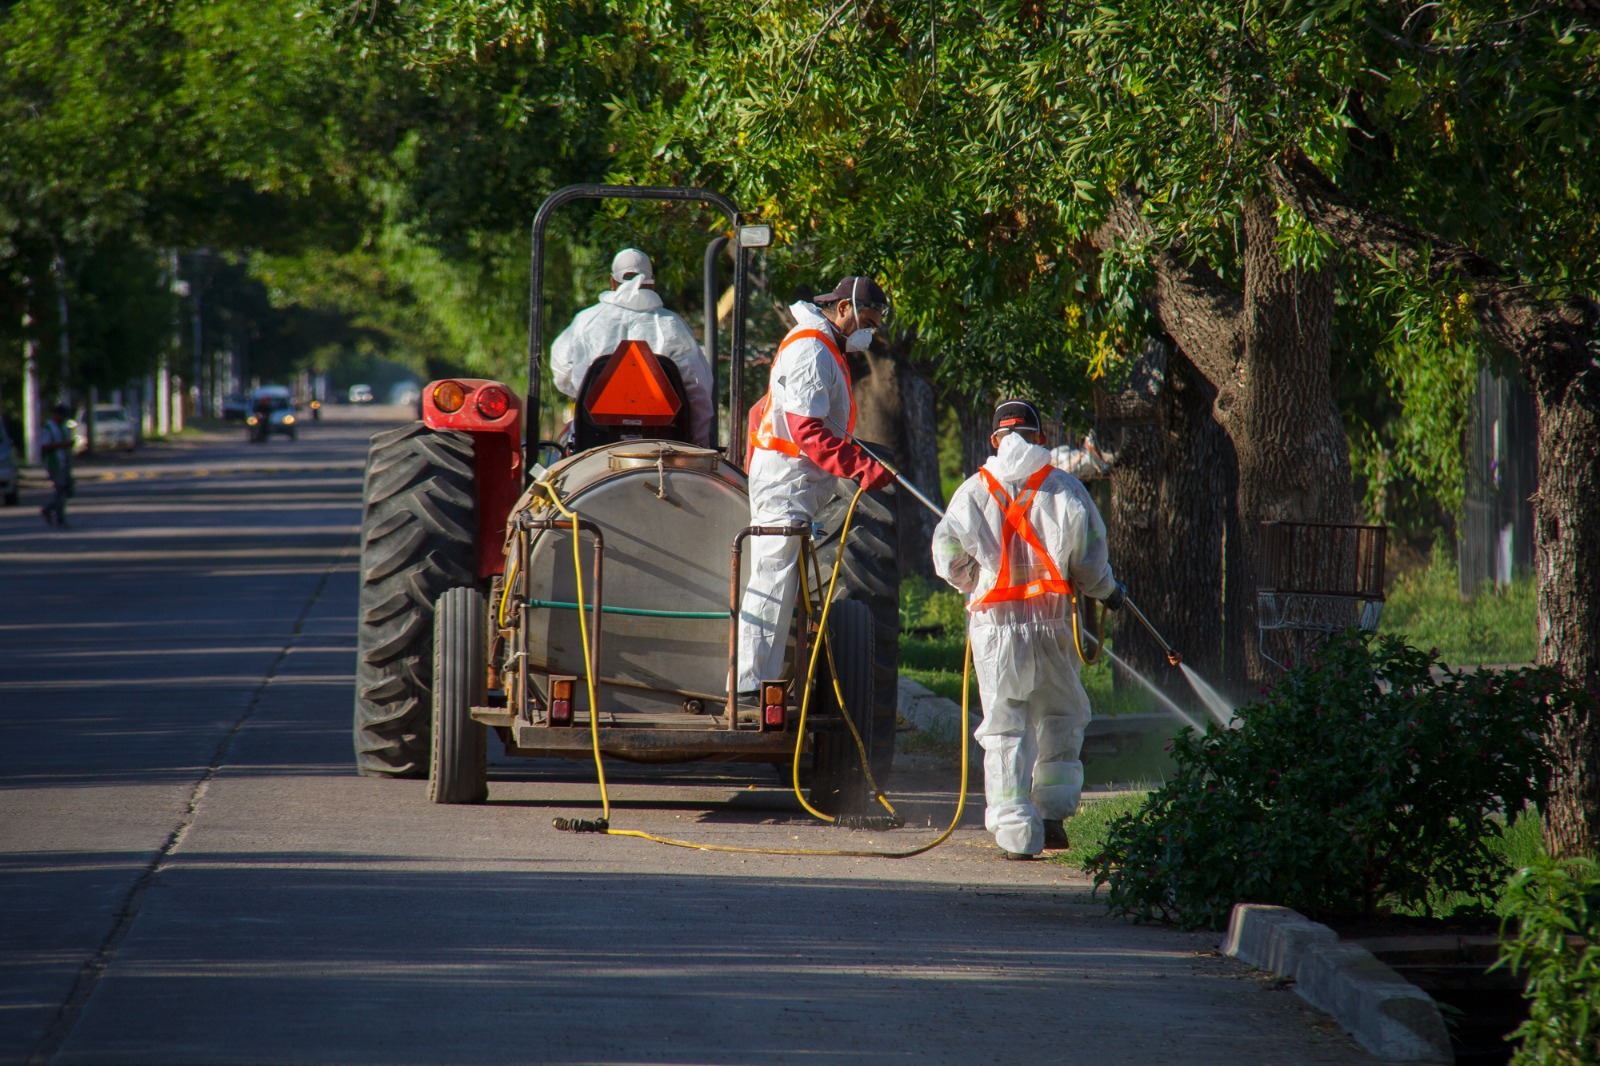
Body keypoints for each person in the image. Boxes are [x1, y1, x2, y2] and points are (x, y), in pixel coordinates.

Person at [931, 399, 1126, 859]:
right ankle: (1053, 816)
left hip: (996, 631)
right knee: (1059, 718)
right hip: (1053, 625)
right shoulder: (1066, 491)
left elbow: (946, 555)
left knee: (1005, 728)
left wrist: (973, 580)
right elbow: (1092, 562)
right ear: (1041, 436)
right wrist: (1108, 592)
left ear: (994, 440)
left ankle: (1017, 833)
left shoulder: (972, 493)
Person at [734, 276, 895, 696]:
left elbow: (760, 411)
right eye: (867, 320)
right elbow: (806, 430)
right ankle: (751, 686)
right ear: (842, 308)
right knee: (773, 577)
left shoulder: (822, 346)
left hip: (791, 479)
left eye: (875, 325)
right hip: (786, 481)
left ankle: (763, 680)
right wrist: (859, 466)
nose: (869, 331)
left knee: (782, 578)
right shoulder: (811, 348)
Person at [550, 248, 714, 448]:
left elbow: (562, 374)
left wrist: (589, 390)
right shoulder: (672, 327)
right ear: (652, 283)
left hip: (594, 438)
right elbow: (698, 391)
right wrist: (697, 444)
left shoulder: (585, 322)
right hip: (665, 440)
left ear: (612, 282)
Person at [39, 403, 73, 527]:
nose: (64, 419)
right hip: (54, 464)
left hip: (64, 462)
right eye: (62, 416)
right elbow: (44, 446)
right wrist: (63, 444)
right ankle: (60, 519)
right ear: (56, 415)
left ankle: (48, 509)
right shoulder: (48, 428)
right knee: (60, 490)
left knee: (66, 491)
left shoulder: (63, 426)